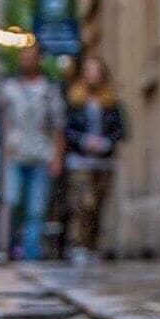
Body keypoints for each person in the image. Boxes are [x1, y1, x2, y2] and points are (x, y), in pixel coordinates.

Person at [2, 44, 65, 261]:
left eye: (31, 57)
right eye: (24, 56)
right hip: (14, 154)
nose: (26, 60)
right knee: (12, 202)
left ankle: (30, 254)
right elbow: (2, 121)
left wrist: (57, 157)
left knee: (36, 210)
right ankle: (9, 247)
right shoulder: (9, 87)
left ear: (39, 60)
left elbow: (58, 126)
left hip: (41, 155)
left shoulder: (49, 90)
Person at [65, 55, 127, 260]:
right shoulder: (74, 100)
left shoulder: (111, 101)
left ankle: (92, 245)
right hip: (80, 160)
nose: (92, 74)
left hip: (104, 161)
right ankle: (79, 244)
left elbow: (121, 129)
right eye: (88, 70)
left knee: (99, 204)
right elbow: (67, 128)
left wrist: (106, 142)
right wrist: (83, 141)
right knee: (83, 202)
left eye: (96, 70)